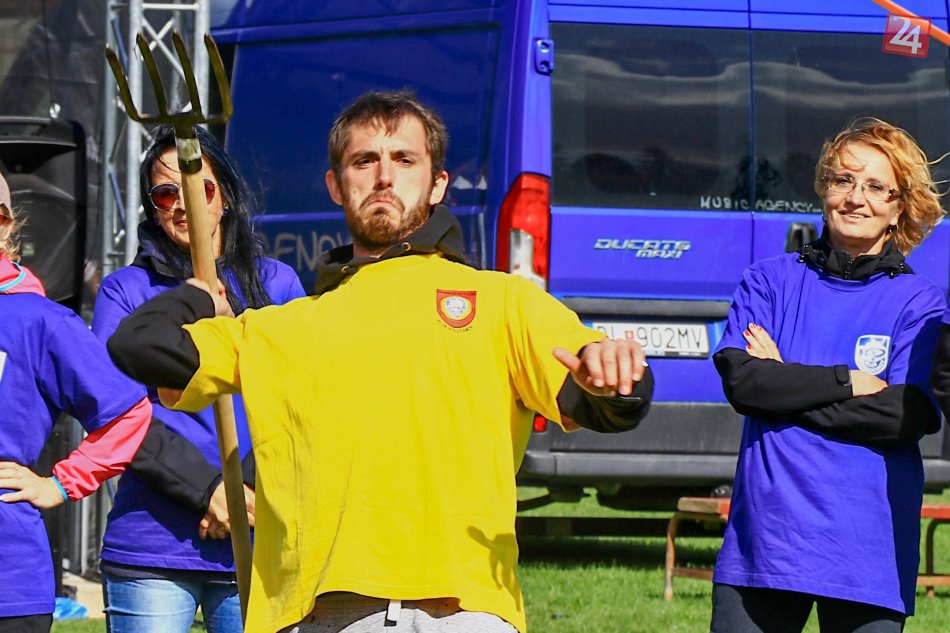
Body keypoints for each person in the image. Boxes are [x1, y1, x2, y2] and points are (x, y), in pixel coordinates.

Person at [105, 91, 655, 633]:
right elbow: (139, 345)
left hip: (460, 612)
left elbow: (606, 404)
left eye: (405, 159)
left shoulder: (503, 304)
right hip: (321, 613)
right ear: (335, 185)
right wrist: (201, 295)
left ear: (438, 184)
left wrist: (617, 379)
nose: (385, 177)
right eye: (364, 161)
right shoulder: (286, 326)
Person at [709, 118, 946, 633]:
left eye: (877, 187)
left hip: (867, 555)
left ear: (899, 207)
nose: (856, 198)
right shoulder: (768, 281)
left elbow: (903, 417)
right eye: (844, 180)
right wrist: (846, 381)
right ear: (824, 189)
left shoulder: (921, 304)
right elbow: (745, 384)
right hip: (764, 548)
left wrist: (784, 384)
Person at [92, 124, 305, 633]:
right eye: (165, 194)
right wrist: (208, 490)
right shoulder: (125, 291)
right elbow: (113, 410)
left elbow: (303, 400)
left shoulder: (277, 284)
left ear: (224, 195)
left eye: (198, 187)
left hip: (259, 531)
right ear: (153, 209)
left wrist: (243, 488)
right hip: (153, 545)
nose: (182, 204)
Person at [0, 173, 152, 633]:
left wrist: (60, 484)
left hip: (8, 581)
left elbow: (128, 413)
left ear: (6, 225)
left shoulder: (39, 320)